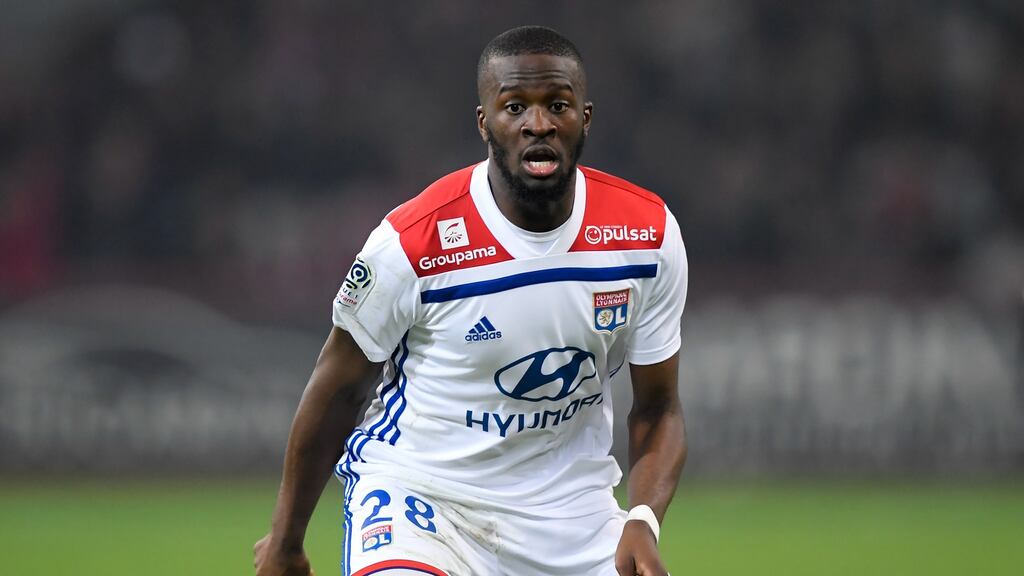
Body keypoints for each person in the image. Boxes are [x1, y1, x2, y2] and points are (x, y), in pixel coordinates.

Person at [254, 25, 687, 576]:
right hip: (426, 500)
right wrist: (286, 540)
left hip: (572, 520)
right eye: (515, 107)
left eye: (558, 104)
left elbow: (658, 408)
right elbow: (338, 388)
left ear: (585, 117)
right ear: (485, 123)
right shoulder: (412, 241)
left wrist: (642, 519)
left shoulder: (646, 234)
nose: (538, 124)